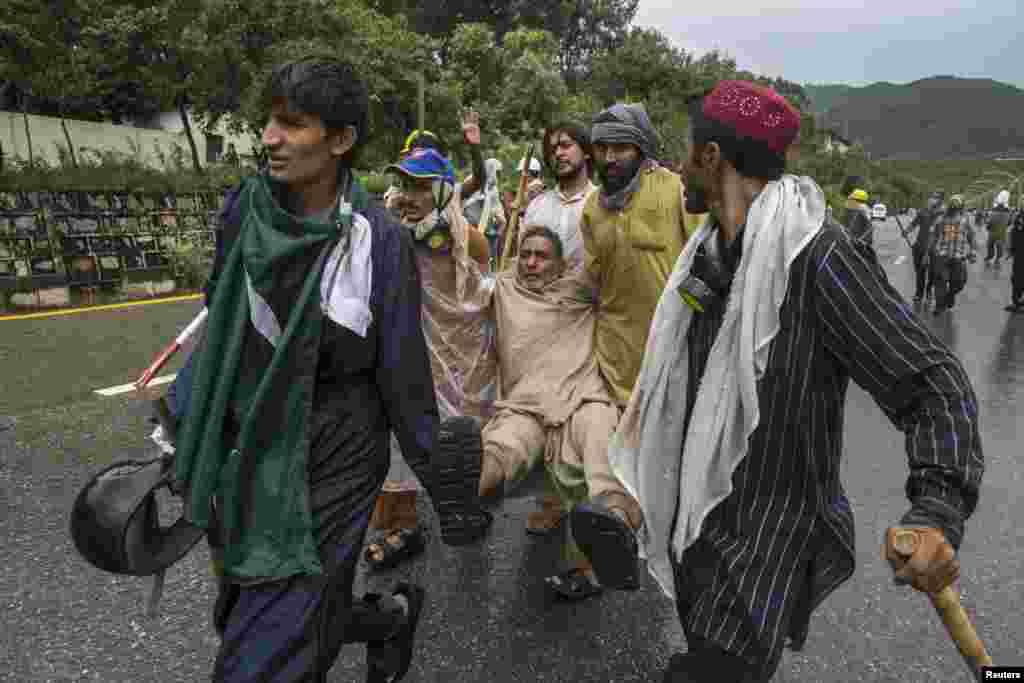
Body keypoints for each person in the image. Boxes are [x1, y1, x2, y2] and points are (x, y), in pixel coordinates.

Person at [599, 80, 982, 682]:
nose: (676, 163)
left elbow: (933, 381)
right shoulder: (707, 255)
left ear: (713, 158)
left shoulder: (817, 256)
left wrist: (936, 508)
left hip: (766, 545)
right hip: (699, 532)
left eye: (686, 148)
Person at [171, 56, 490, 682]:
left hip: (338, 451)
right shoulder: (245, 211)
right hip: (251, 441)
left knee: (269, 645)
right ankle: (389, 620)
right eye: (270, 121)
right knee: (246, 608)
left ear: (340, 140)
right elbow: (222, 322)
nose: (269, 137)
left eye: (292, 125)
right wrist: (179, 432)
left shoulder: (381, 241)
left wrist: (444, 480)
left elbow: (400, 371)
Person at [570, 101, 704, 591]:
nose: (609, 157)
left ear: (642, 149)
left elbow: (705, 258)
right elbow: (591, 282)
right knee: (608, 457)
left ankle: (669, 551)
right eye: (602, 147)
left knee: (667, 461)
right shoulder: (591, 207)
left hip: (671, 357)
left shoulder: (674, 192)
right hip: (612, 355)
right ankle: (607, 550)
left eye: (620, 146)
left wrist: (693, 312)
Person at [476, 226, 639, 599]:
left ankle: (617, 532)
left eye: (541, 256)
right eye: (526, 254)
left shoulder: (580, 290)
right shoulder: (501, 288)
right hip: (525, 404)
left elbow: (621, 267)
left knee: (602, 441)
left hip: (584, 397)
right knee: (502, 445)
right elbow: (458, 278)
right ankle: (467, 499)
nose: (531, 262)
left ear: (561, 264)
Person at [362, 146, 499, 570]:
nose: (408, 195)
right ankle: (401, 524)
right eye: (403, 184)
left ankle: (466, 507)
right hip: (405, 349)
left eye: (420, 186)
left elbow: (475, 291)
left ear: (441, 191)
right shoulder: (387, 232)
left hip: (458, 357)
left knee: (460, 435)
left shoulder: (467, 237)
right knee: (398, 432)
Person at [519, 120, 597, 272]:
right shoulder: (536, 207)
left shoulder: (601, 203)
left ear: (586, 151)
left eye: (566, 145)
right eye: (552, 149)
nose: (558, 153)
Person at [930, 194, 976, 314]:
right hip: (942, 256)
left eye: (957, 207)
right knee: (940, 282)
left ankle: (950, 295)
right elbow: (934, 237)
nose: (954, 209)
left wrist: (972, 251)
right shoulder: (941, 220)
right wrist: (928, 254)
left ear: (961, 207)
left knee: (959, 282)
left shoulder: (965, 220)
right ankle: (940, 306)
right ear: (950, 206)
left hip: (959, 257)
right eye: (952, 206)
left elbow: (971, 236)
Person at [906, 191, 944, 303]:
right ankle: (919, 293)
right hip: (920, 246)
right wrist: (906, 231)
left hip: (934, 249)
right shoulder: (923, 212)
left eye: (936, 198)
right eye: (931, 197)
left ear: (941, 200)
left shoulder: (943, 214)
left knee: (933, 273)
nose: (932, 199)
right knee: (920, 272)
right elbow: (914, 223)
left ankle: (929, 290)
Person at [842, 185, 877, 262]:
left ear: (857, 199)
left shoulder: (863, 208)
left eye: (853, 199)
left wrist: (862, 240)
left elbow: (870, 227)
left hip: (861, 243)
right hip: (854, 241)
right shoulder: (855, 208)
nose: (851, 200)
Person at [984, 190, 1011, 266]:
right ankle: (997, 260)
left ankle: (989, 257)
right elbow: (1009, 223)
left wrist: (988, 227)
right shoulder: (1008, 213)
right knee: (1000, 247)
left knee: (990, 245)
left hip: (993, 232)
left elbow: (989, 223)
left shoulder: (993, 213)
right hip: (1002, 232)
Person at [1005, 205, 1024, 312]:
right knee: (1017, 278)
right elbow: (1013, 233)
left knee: (1018, 278)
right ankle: (1017, 302)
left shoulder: (1018, 219)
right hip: (1019, 253)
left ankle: (1017, 303)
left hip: (1020, 254)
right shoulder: (1018, 219)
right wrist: (1010, 250)